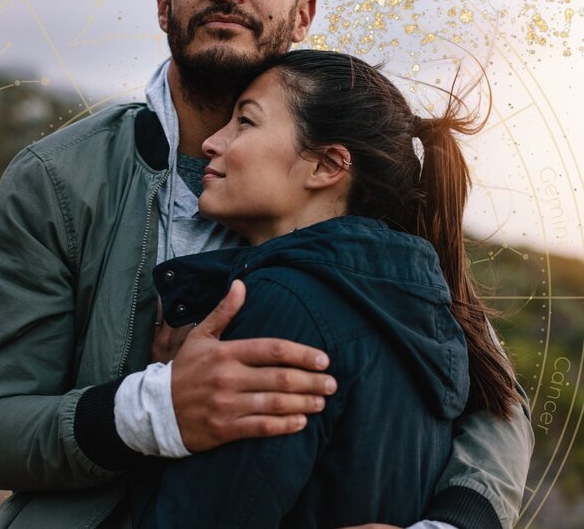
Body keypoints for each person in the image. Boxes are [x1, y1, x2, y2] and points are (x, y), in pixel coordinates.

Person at [0, 0, 534, 528]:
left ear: (302, 14)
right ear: (163, 5)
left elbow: (490, 392)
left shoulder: (361, 199)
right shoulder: (57, 179)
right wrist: (153, 408)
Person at [129, 49, 519, 528]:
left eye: (245, 122)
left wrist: (161, 409)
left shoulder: (285, 305)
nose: (212, 142)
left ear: (327, 166)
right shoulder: (415, 307)